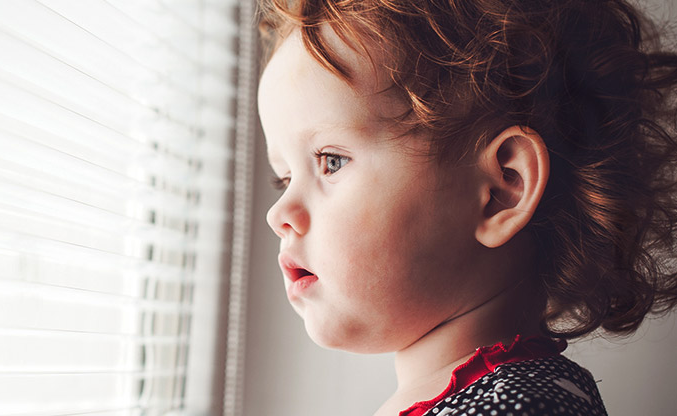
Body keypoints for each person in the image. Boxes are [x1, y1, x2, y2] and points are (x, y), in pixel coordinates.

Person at [256, 0, 677, 414]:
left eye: (331, 161)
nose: (278, 214)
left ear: (500, 190)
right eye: (286, 179)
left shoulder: (521, 406)